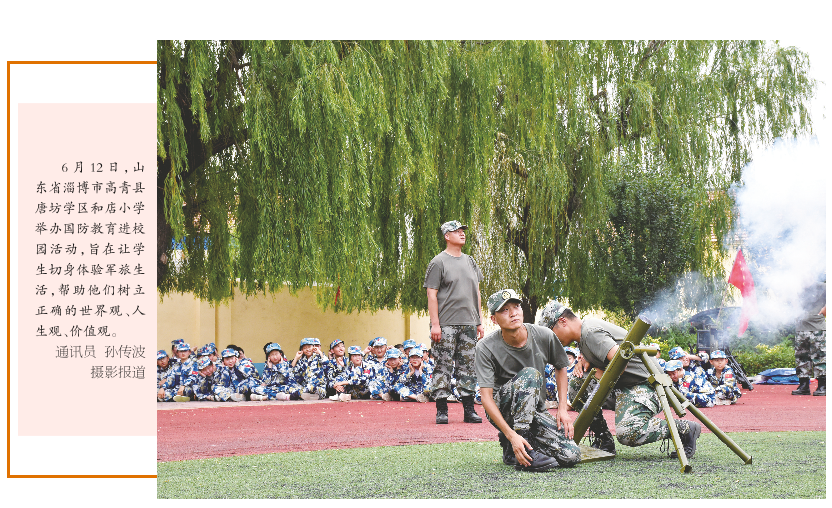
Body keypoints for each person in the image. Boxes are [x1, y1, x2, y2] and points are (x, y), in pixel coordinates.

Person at [541, 300, 702, 460]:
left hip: (648, 385)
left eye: (551, 332)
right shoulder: (584, 335)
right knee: (577, 385)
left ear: (562, 321)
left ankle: (685, 429)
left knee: (628, 432)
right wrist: (587, 363)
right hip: (626, 385)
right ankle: (604, 440)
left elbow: (620, 364)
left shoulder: (590, 332)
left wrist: (597, 372)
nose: (552, 338)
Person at [475, 289, 581, 472]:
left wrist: (562, 408)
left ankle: (513, 447)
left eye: (516, 306)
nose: (513, 313)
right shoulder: (485, 347)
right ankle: (521, 443)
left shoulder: (544, 335)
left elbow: (561, 366)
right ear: (493, 319)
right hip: (504, 409)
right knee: (531, 375)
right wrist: (512, 434)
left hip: (535, 409)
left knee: (571, 455)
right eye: (505, 310)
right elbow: (486, 398)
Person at [423, 219, 485, 425]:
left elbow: (476, 292)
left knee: (468, 367)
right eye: (456, 231)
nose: (462, 233)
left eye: (462, 230)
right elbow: (431, 294)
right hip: (446, 324)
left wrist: (479, 321)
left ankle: (469, 409)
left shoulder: (470, 261)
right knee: (443, 365)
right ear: (447, 236)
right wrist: (435, 324)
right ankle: (442, 409)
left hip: (469, 323)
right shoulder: (438, 262)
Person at [792, 276, 826, 396]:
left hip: (817, 328)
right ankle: (804, 386)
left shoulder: (822, 286)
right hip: (801, 328)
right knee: (801, 358)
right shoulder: (797, 288)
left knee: (820, 358)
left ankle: (823, 386)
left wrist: (826, 308)